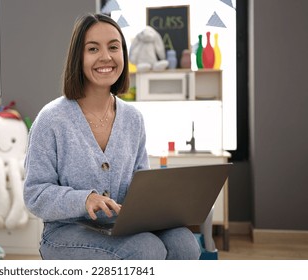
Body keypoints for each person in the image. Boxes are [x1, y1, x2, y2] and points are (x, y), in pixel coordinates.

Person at [23, 13, 200, 260]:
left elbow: (141, 184)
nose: (106, 57)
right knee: (146, 248)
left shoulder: (133, 119)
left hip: (121, 226)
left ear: (124, 55)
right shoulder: (51, 119)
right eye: (93, 48)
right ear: (78, 57)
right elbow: (35, 194)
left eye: (114, 47)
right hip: (66, 232)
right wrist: (84, 199)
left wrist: (164, 201)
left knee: (184, 242)